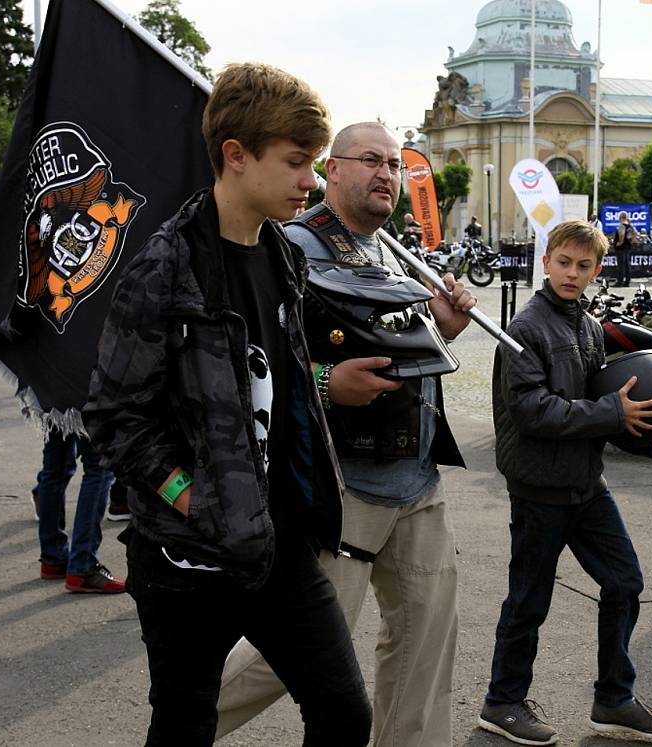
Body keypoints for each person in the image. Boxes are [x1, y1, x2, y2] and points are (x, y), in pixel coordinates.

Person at [83, 63, 371, 746]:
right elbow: (113, 415)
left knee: (344, 714)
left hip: (281, 545)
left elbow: (284, 385)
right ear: (236, 156)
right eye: (298, 162)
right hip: (185, 561)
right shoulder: (162, 268)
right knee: (184, 725)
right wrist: (194, 497)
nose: (312, 180)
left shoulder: (283, 254)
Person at [216, 121, 476, 747]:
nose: (387, 173)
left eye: (394, 163)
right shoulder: (286, 248)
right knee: (284, 659)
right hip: (337, 489)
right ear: (333, 171)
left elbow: (401, 352)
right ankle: (181, 724)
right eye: (370, 160)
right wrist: (328, 382)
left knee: (424, 650)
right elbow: (245, 361)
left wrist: (440, 330)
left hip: (417, 480)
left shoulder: (395, 253)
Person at [477, 219, 652, 746]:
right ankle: (502, 702)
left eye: (584, 265)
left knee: (625, 583)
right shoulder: (526, 328)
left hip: (587, 485)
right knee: (529, 601)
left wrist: (646, 431)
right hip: (538, 487)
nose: (572, 273)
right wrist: (615, 414)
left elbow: (604, 398)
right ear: (545, 262)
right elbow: (532, 411)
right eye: (564, 262)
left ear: (597, 270)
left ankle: (613, 698)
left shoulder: (587, 325)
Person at [36, 432, 122, 593]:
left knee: (55, 464)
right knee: (99, 467)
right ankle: (83, 566)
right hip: (83, 407)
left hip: (50, 407)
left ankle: (53, 557)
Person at [613, 211, 637, 287]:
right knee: (627, 265)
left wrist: (620, 242)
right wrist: (632, 241)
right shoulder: (630, 226)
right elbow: (636, 234)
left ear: (621, 218)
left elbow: (622, 234)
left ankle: (619, 281)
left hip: (621, 247)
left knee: (621, 265)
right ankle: (627, 281)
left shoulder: (622, 226)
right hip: (628, 246)